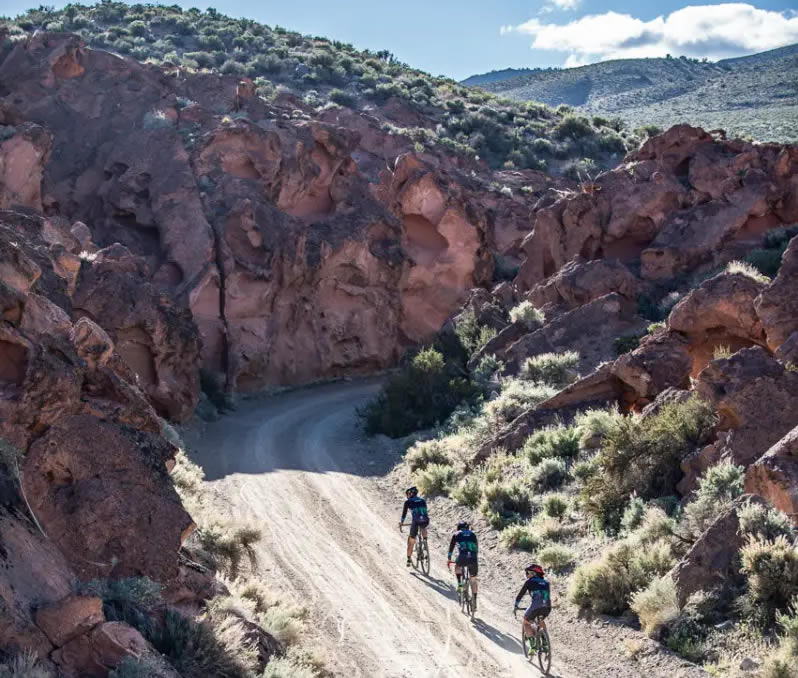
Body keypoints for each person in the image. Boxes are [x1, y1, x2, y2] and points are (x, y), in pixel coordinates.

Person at [514, 563, 552, 646]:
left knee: (526, 622)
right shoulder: (546, 583)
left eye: (527, 573)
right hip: (547, 607)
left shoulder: (529, 582)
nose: (526, 575)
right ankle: (545, 642)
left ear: (533, 573)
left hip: (535, 606)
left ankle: (532, 645)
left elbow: (521, 594)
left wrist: (516, 605)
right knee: (541, 621)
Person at [447, 520, 479, 611]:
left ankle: (460, 584)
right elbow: (476, 548)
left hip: (462, 557)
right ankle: (474, 602)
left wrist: (449, 558)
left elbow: (451, 547)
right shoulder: (473, 534)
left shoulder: (456, 534)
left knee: (457, 566)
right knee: (473, 580)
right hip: (473, 558)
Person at [399, 486, 429, 567]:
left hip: (416, 521)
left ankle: (408, 559)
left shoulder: (408, 502)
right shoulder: (423, 500)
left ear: (410, 494)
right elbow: (425, 511)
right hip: (425, 520)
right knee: (423, 526)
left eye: (407, 494)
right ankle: (425, 541)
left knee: (411, 541)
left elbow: (404, 514)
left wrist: (401, 522)